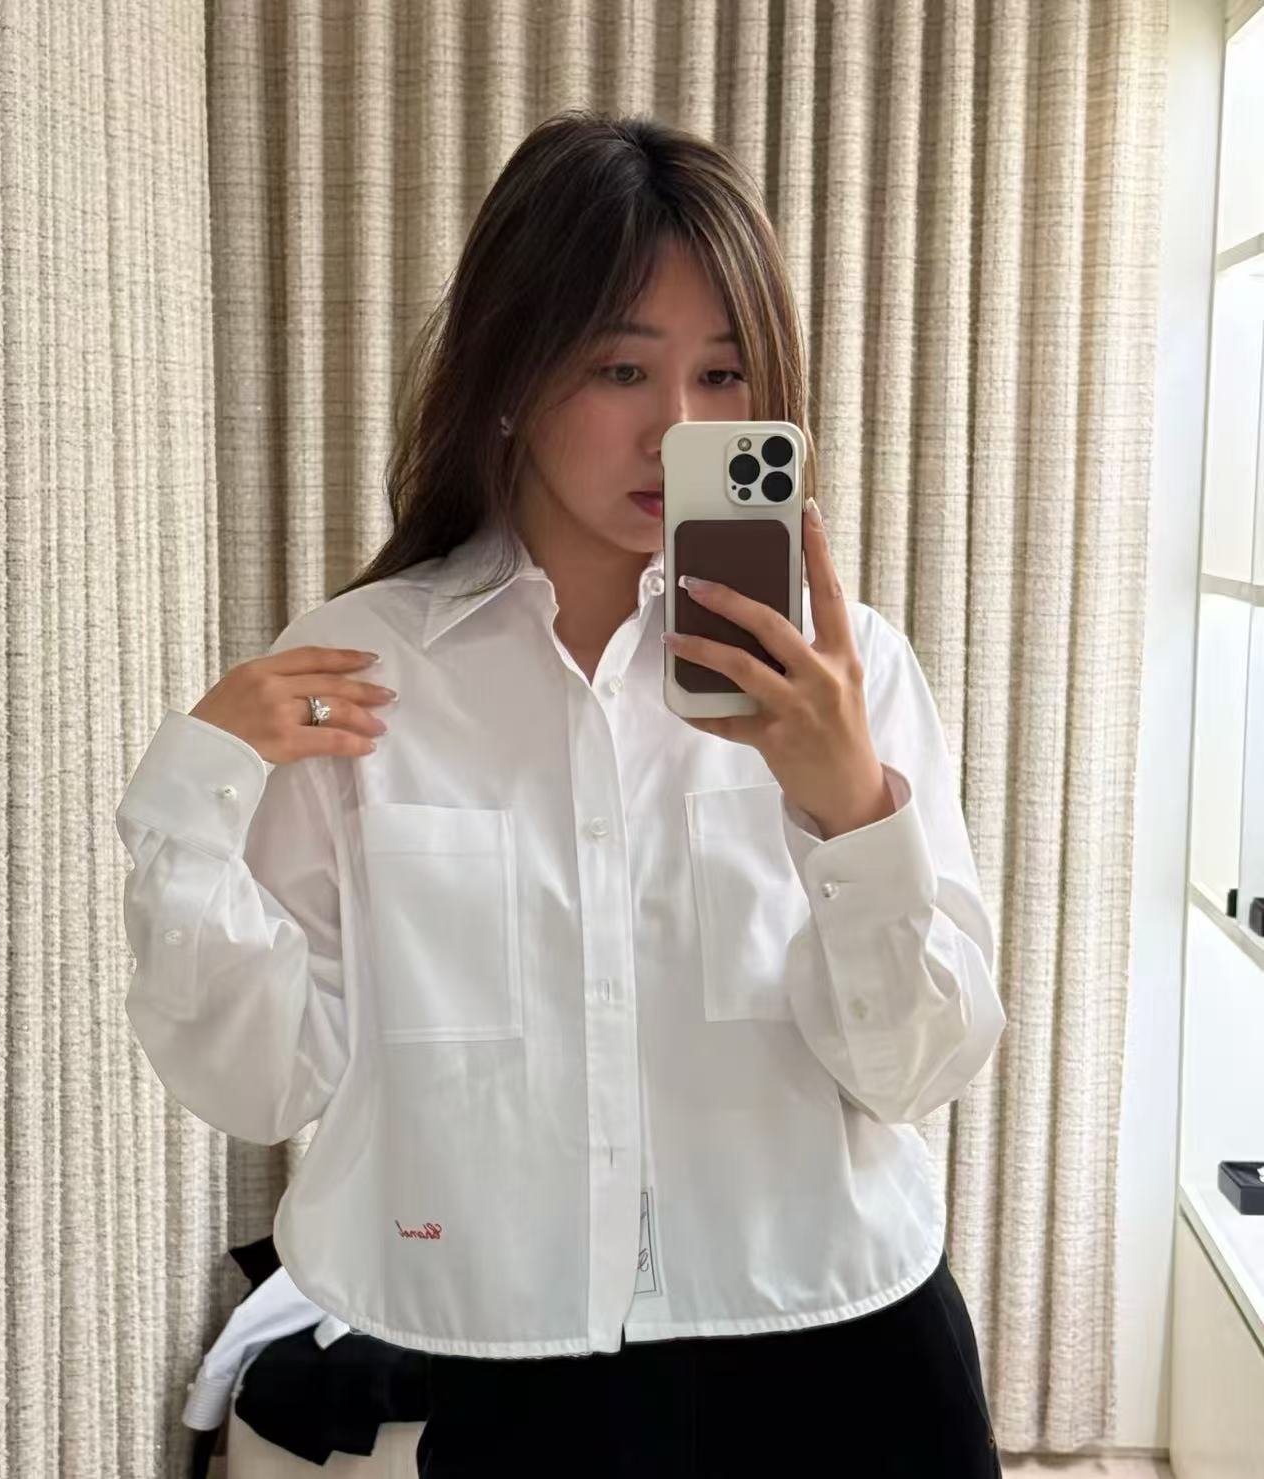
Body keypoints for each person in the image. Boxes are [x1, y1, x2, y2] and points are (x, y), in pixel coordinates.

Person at [114, 109, 1008, 1477]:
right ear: (511, 375)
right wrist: (191, 797)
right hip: (517, 1370)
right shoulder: (363, 670)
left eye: (724, 373)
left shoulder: (849, 672)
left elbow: (919, 1069)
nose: (679, 426)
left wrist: (851, 808)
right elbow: (259, 1078)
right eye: (620, 368)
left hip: (845, 1340)